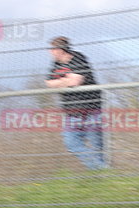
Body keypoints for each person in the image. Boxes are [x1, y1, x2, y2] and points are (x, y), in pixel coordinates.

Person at [44, 36, 107, 171]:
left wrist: (61, 82)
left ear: (60, 50)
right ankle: (101, 170)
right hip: (71, 111)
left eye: (52, 49)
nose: (50, 52)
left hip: (91, 108)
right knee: (71, 143)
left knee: (96, 146)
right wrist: (67, 80)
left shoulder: (78, 58)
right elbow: (49, 83)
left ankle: (102, 175)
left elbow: (75, 81)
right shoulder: (56, 65)